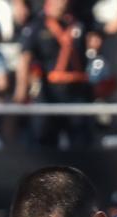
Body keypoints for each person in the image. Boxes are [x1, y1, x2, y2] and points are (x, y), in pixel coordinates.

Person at [15, 0, 99, 148]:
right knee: (44, 142)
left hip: (77, 93)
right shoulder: (37, 25)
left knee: (81, 143)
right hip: (49, 92)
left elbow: (100, 36)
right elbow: (25, 57)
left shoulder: (81, 22)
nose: (61, 4)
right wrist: (21, 89)